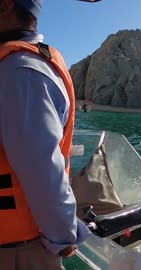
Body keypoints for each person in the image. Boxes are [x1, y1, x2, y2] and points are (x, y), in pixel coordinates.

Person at [0, 0, 90, 269]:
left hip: (18, 250)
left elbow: (41, 169)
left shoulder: (21, 72)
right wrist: (62, 234)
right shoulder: (17, 68)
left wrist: (61, 235)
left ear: (6, 5)